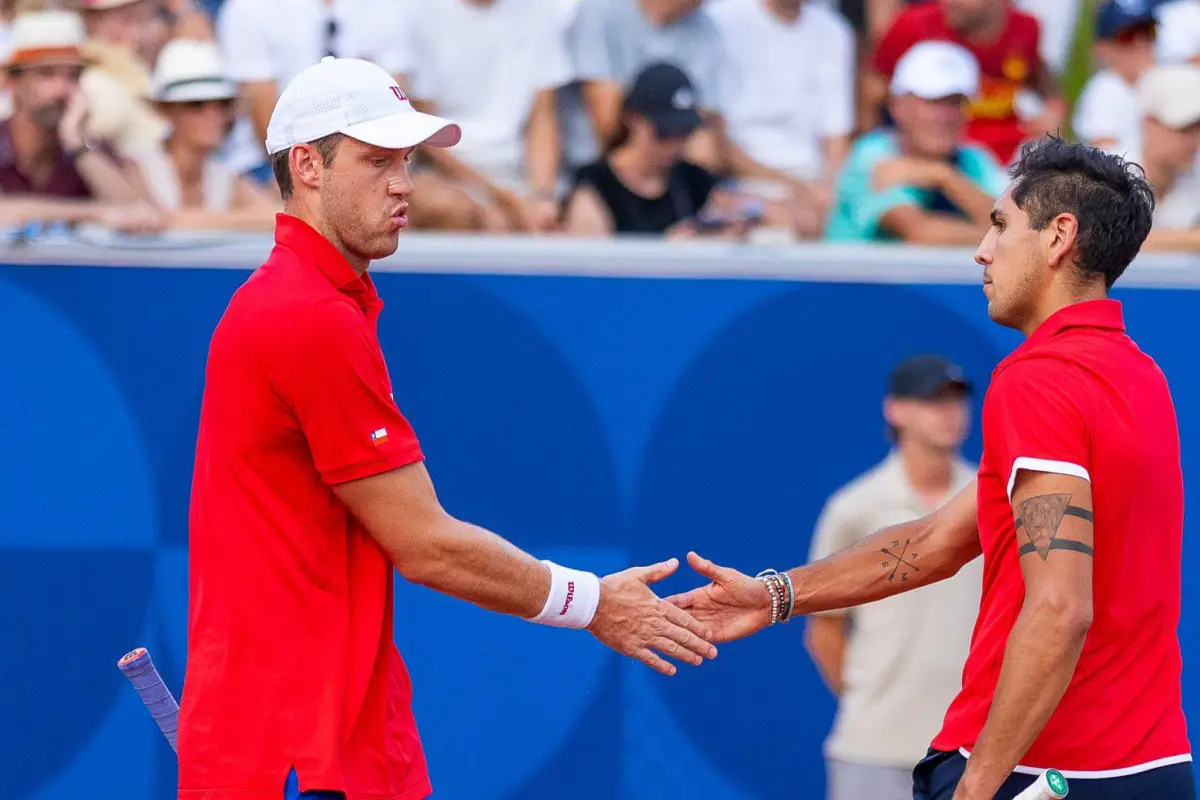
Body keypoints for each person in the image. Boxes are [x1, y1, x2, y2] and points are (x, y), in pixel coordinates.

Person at [180, 56, 717, 800]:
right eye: (377, 161)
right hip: (302, 754)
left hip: (312, 741)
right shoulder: (306, 318)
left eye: (406, 161)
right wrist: (593, 602)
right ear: (306, 165)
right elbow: (427, 546)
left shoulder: (309, 304)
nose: (404, 183)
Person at [671, 137, 1194, 799]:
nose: (982, 248)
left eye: (1001, 225)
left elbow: (1060, 607)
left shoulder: (1037, 378)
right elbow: (940, 540)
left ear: (1060, 236)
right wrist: (776, 596)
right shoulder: (1144, 377)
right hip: (1152, 770)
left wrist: (978, 783)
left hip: (1039, 774)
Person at [807, 354, 980, 800]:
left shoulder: (997, 498)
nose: (949, 412)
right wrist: (879, 704)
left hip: (975, 748)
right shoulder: (855, 507)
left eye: (956, 400)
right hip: (874, 750)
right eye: (931, 400)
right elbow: (824, 630)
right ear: (895, 409)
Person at [826, 41, 1008, 244]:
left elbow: (1015, 224)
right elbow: (921, 233)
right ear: (898, 106)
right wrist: (1003, 240)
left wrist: (943, 177)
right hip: (857, 276)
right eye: (933, 102)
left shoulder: (974, 158)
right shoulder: (872, 155)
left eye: (955, 103)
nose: (945, 116)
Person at [0, 8, 162, 233]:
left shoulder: (90, 148)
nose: (63, 89)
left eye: (73, 76)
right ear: (13, 83)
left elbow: (145, 215)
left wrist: (77, 145)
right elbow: (4, 213)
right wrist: (97, 213)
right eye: (47, 74)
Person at [561, 62, 758, 239]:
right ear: (633, 119)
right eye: (665, 132)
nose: (675, 144)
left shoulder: (693, 180)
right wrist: (667, 249)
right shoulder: (596, 186)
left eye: (685, 132)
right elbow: (592, 268)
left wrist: (731, 227)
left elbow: (751, 209)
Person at [866, 0, 1064, 165]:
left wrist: (1053, 114)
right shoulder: (912, 25)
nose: (949, 3)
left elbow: (1044, 87)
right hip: (937, 154)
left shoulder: (1027, 29)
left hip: (1006, 159)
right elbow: (874, 90)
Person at [137, 38, 278, 229]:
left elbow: (278, 218)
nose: (213, 115)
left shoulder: (224, 178)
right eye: (195, 104)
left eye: (222, 104)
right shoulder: (138, 169)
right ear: (167, 111)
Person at [1072, 0, 1159, 158]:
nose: (1141, 44)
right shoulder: (1105, 89)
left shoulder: (1149, 83)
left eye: (1149, 33)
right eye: (1128, 37)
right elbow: (1105, 155)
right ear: (1104, 48)